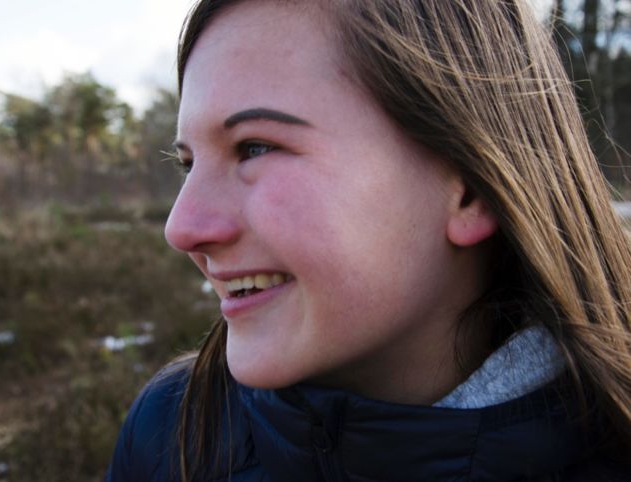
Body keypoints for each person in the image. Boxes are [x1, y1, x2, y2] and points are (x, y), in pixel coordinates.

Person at [105, 0, 631, 480]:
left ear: (471, 191)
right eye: (188, 164)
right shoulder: (171, 435)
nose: (182, 228)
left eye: (255, 147)